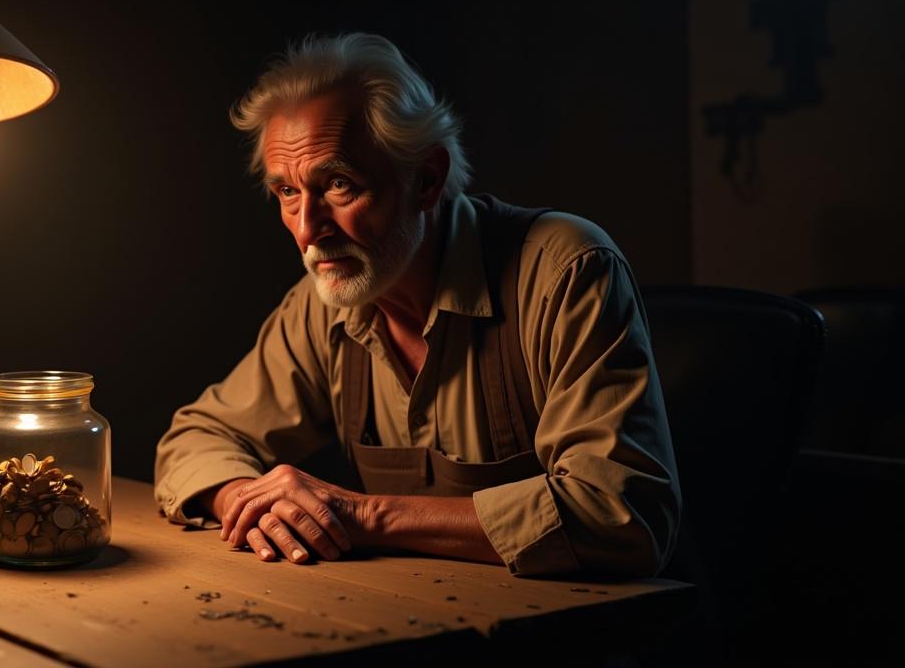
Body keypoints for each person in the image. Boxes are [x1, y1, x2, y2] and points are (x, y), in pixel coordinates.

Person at [153, 33, 680, 577]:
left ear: (425, 180)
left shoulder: (563, 270)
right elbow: (195, 438)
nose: (308, 230)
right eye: (287, 192)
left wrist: (362, 514)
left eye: (338, 184)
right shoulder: (322, 305)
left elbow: (623, 515)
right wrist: (247, 498)